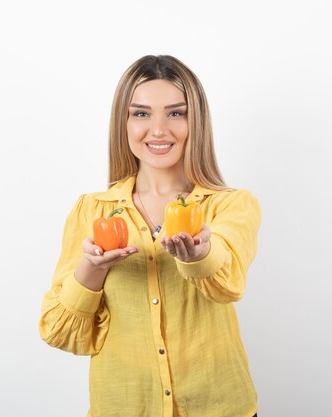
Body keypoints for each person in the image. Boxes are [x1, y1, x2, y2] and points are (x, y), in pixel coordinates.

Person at [39, 55, 261, 417]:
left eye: (176, 113)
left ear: (196, 122)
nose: (158, 129)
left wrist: (199, 257)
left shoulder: (231, 205)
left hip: (219, 407)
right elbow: (59, 331)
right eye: (141, 113)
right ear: (123, 123)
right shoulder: (91, 211)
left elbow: (228, 283)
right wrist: (92, 269)